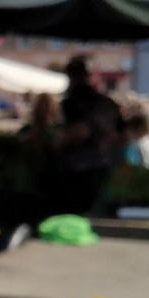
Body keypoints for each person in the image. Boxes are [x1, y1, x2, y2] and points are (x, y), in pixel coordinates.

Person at [58, 56, 121, 213]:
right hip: (103, 163)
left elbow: (80, 130)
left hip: (78, 167)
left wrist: (56, 143)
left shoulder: (73, 101)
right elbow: (121, 134)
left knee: (75, 210)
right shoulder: (107, 102)